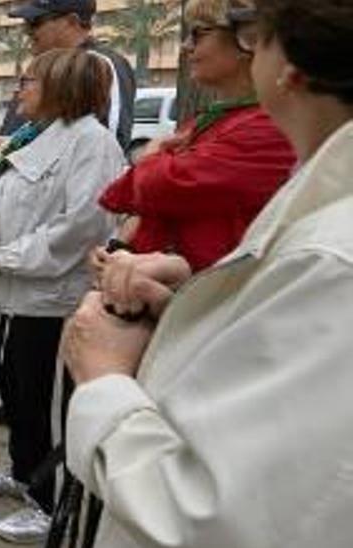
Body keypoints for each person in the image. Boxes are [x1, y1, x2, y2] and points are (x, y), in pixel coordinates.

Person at [63, 1, 353, 545]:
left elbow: (208, 514)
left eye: (251, 33)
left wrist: (104, 380)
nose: (190, 47)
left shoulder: (332, 259)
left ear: (287, 63)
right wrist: (185, 302)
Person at [0, 48, 127, 544]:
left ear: (62, 87)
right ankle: (25, 474)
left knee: (49, 403)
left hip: (51, 299)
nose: (19, 89)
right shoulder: (39, 135)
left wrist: (6, 256)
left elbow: (79, 227)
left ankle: (49, 502)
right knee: (19, 394)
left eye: (29, 81)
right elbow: (4, 199)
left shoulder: (93, 143)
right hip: (12, 294)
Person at [97, 0, 294, 273]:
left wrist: (151, 159)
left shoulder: (271, 128)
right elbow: (123, 195)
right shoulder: (209, 121)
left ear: (246, 39)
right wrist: (120, 247)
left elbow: (158, 187)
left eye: (199, 34)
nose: (186, 46)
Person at [0, 0, 136, 152]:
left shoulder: (99, 64)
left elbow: (110, 145)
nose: (28, 31)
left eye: (35, 22)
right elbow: (50, 137)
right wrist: (7, 143)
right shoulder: (49, 65)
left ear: (71, 22)